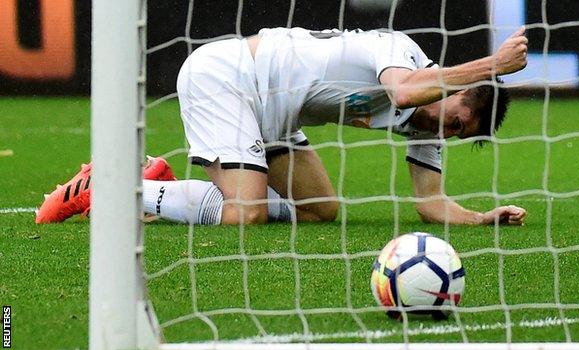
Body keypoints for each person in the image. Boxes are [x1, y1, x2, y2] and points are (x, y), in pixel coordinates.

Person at [36, 26, 528, 226]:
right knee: (247, 212)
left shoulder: (428, 125)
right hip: (229, 79)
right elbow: (401, 91)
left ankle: (160, 183)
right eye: (457, 122)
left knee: (320, 210)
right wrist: (493, 65)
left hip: (277, 116)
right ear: (459, 90)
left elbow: (430, 203)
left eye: (457, 137)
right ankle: (115, 190)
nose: (446, 134)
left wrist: (484, 218)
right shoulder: (400, 52)